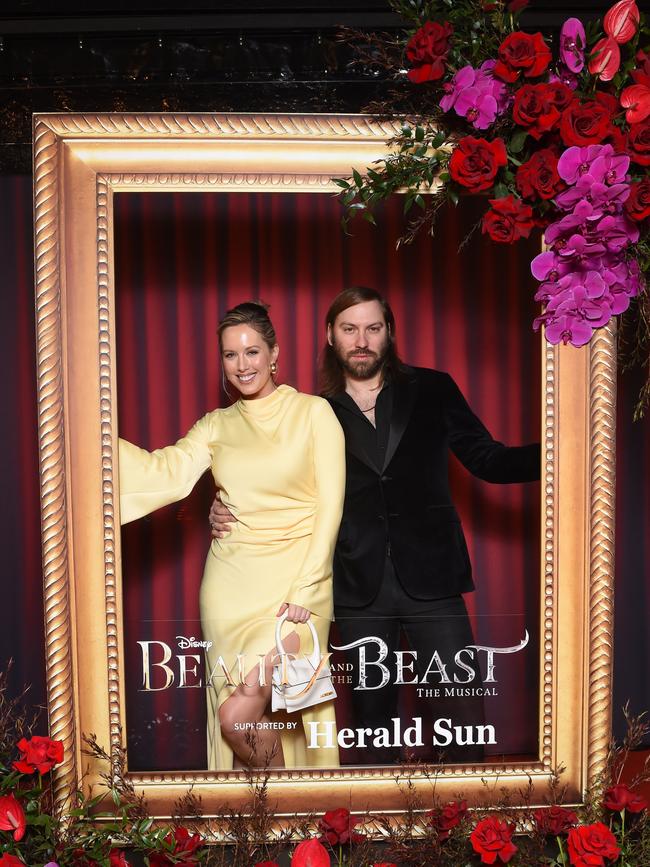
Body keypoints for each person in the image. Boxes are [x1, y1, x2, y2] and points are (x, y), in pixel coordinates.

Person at [211, 287, 540, 764]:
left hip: (433, 577)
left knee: (463, 714)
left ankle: (465, 827)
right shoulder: (313, 411)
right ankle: (375, 835)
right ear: (330, 336)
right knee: (371, 725)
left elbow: (486, 458)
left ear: (389, 333)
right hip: (356, 584)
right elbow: (273, 485)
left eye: (372, 327)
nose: (361, 339)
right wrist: (219, 507)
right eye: (349, 329)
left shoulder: (432, 388)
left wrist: (561, 448)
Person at [119, 301, 345, 771]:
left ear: (274, 353)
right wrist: (90, 440)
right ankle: (274, 823)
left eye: (252, 352)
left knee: (242, 714)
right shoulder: (215, 426)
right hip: (230, 587)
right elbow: (167, 473)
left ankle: (289, 809)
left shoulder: (313, 413)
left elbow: (331, 507)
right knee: (242, 714)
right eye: (230, 355)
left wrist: (308, 587)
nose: (243, 365)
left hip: (297, 587)